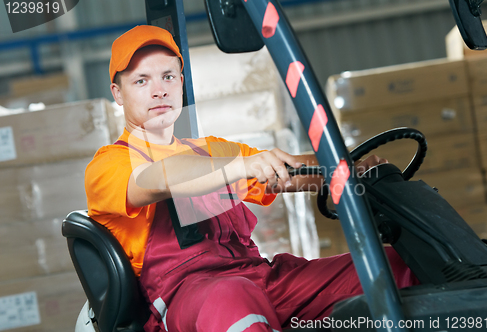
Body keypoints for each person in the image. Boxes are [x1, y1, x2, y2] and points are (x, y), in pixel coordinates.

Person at [85, 25, 418, 332]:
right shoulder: (109, 165)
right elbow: (160, 178)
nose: (159, 91)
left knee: (391, 265)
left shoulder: (212, 150)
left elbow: (284, 173)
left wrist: (351, 169)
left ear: (182, 83)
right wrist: (240, 166)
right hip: (187, 296)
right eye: (142, 81)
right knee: (234, 297)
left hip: (262, 279)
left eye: (168, 77)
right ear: (118, 93)